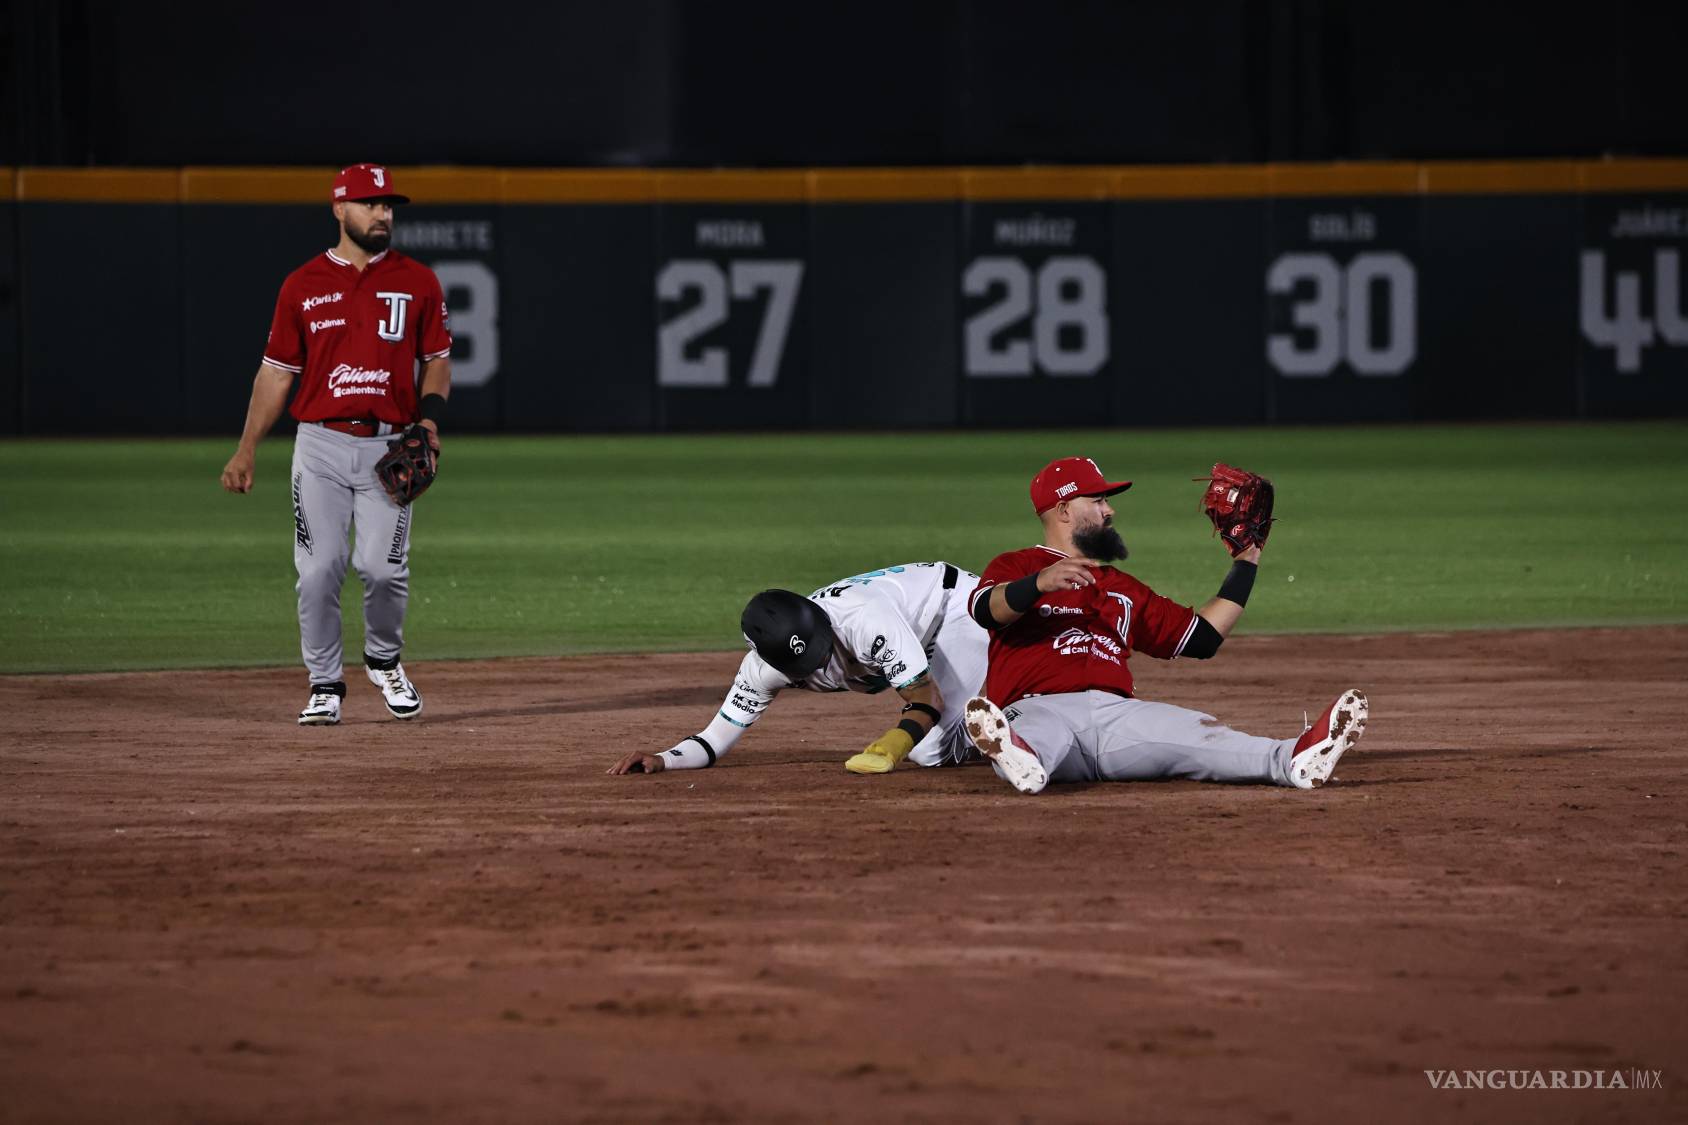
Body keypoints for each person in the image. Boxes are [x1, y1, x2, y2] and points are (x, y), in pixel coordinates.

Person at [962, 456, 1367, 795]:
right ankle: (1021, 758)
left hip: (1115, 717)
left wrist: (1247, 559)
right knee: (1039, 735)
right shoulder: (1018, 566)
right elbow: (985, 610)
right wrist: (1038, 583)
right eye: (1099, 499)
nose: (1109, 510)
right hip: (1035, 707)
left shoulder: (1123, 589)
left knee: (1196, 733)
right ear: (1064, 509)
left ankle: (1294, 760)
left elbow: (1204, 637)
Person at [220, 163, 453, 726]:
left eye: (389, 204)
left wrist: (430, 422)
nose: (384, 213)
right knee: (320, 567)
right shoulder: (302, 285)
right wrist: (247, 447)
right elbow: (275, 374)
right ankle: (324, 683)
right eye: (371, 203)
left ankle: (383, 659)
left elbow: (438, 362)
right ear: (339, 208)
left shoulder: (418, 280)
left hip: (390, 446)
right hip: (320, 445)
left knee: (382, 568)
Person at [607, 563, 986, 776]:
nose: (822, 662)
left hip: (954, 611)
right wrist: (665, 758)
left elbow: (925, 696)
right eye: (807, 664)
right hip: (916, 637)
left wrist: (893, 742)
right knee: (938, 746)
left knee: (930, 751)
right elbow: (713, 740)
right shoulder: (762, 670)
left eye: (820, 648)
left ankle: (1025, 719)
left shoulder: (863, 619)